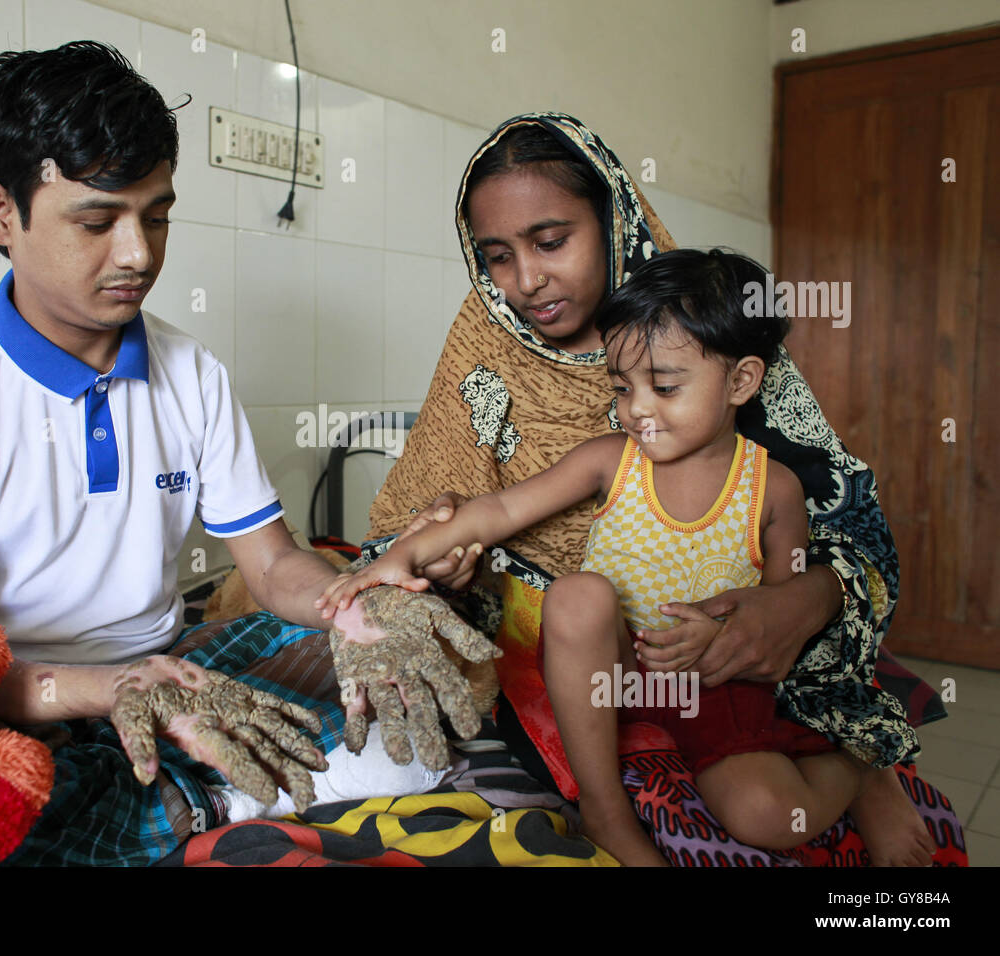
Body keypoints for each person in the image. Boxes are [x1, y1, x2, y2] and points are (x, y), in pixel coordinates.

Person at [0, 41, 488, 865]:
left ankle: (195, 784)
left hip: (177, 666)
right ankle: (211, 786)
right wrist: (112, 692)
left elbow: (269, 568)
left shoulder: (192, 373)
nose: (138, 254)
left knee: (408, 662)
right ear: (0, 214)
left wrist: (349, 608)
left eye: (156, 216)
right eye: (98, 221)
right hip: (25, 701)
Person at [365, 113, 931, 866]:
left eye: (551, 241)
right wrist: (429, 561)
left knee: (789, 739)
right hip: (570, 633)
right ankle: (608, 809)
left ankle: (865, 770)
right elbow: (445, 510)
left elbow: (845, 533)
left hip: (722, 629)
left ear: (609, 218)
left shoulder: (707, 326)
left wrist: (792, 604)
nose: (525, 281)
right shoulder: (484, 338)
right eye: (497, 255)